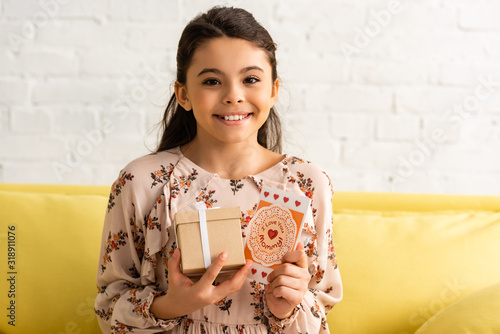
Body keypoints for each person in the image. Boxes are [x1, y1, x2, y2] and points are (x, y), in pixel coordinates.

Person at [95, 6, 342, 333]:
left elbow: (321, 302)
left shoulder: (308, 184)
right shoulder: (141, 183)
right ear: (183, 94)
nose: (233, 96)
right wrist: (174, 305)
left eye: (250, 79)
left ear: (273, 91)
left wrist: (287, 309)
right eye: (212, 81)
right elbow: (109, 307)